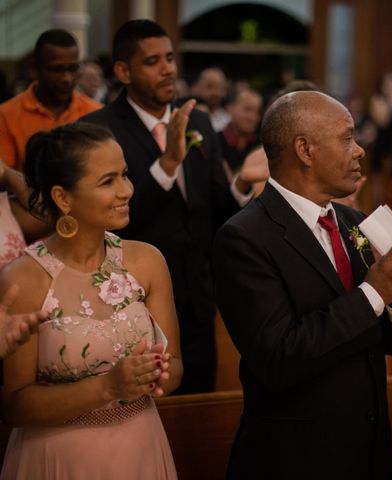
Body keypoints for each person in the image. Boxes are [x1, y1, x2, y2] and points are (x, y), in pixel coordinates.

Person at [213, 91, 392, 479]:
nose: (360, 151)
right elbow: (279, 358)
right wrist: (375, 293)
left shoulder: (356, 222)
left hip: (367, 450)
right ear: (304, 149)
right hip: (296, 458)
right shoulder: (243, 237)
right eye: (347, 138)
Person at [81, 19, 268, 394]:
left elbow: (216, 209)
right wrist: (166, 166)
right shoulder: (99, 130)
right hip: (133, 304)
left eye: (169, 58)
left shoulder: (196, 119)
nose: (168, 68)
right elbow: (110, 224)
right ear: (123, 71)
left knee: (197, 414)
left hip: (199, 302)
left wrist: (242, 183)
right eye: (152, 61)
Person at [0, 122, 182, 478]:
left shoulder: (147, 262)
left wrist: (155, 373)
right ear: (63, 197)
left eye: (125, 175)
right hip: (59, 456)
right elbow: (14, 405)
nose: (126, 190)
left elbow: (175, 368)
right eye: (107, 181)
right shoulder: (23, 278)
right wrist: (106, 388)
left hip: (140, 446)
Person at [0, 29, 101, 171]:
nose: (67, 78)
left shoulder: (96, 112)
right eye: (57, 69)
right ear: (35, 67)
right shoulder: (6, 114)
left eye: (73, 68)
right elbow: (4, 174)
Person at [217, 87, 263, 179]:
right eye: (247, 110)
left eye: (257, 112)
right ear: (229, 108)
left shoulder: (262, 146)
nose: (253, 117)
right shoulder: (214, 142)